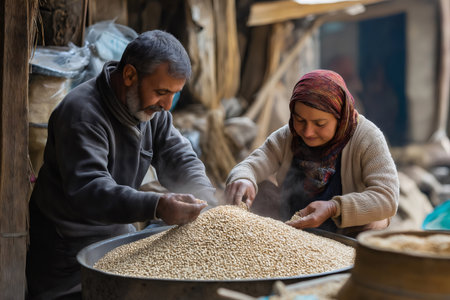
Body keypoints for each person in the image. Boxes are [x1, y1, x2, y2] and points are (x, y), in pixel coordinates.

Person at [26, 30, 217, 300]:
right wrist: (157, 205)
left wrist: (207, 199)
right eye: (162, 92)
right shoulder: (82, 113)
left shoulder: (154, 111)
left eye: (174, 94)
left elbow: (178, 155)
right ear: (129, 76)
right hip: (68, 256)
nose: (167, 104)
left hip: (117, 239)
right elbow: (90, 189)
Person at [225, 69, 399, 236]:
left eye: (320, 124)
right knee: (258, 190)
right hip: (293, 225)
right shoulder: (290, 135)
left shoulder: (367, 137)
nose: (307, 132)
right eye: (299, 120)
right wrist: (243, 178)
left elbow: (388, 198)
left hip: (346, 231)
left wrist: (333, 207)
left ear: (340, 118)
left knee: (376, 220)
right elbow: (253, 164)